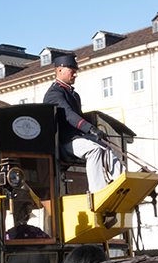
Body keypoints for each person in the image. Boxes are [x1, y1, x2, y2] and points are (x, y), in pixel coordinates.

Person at [42, 55, 122, 194]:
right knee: (94, 150)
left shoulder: (74, 94)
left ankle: (122, 179)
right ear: (60, 70)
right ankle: (98, 191)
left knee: (107, 145)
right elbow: (69, 115)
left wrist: (94, 132)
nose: (76, 74)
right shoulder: (54, 93)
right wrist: (90, 128)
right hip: (65, 140)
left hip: (78, 137)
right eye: (72, 71)